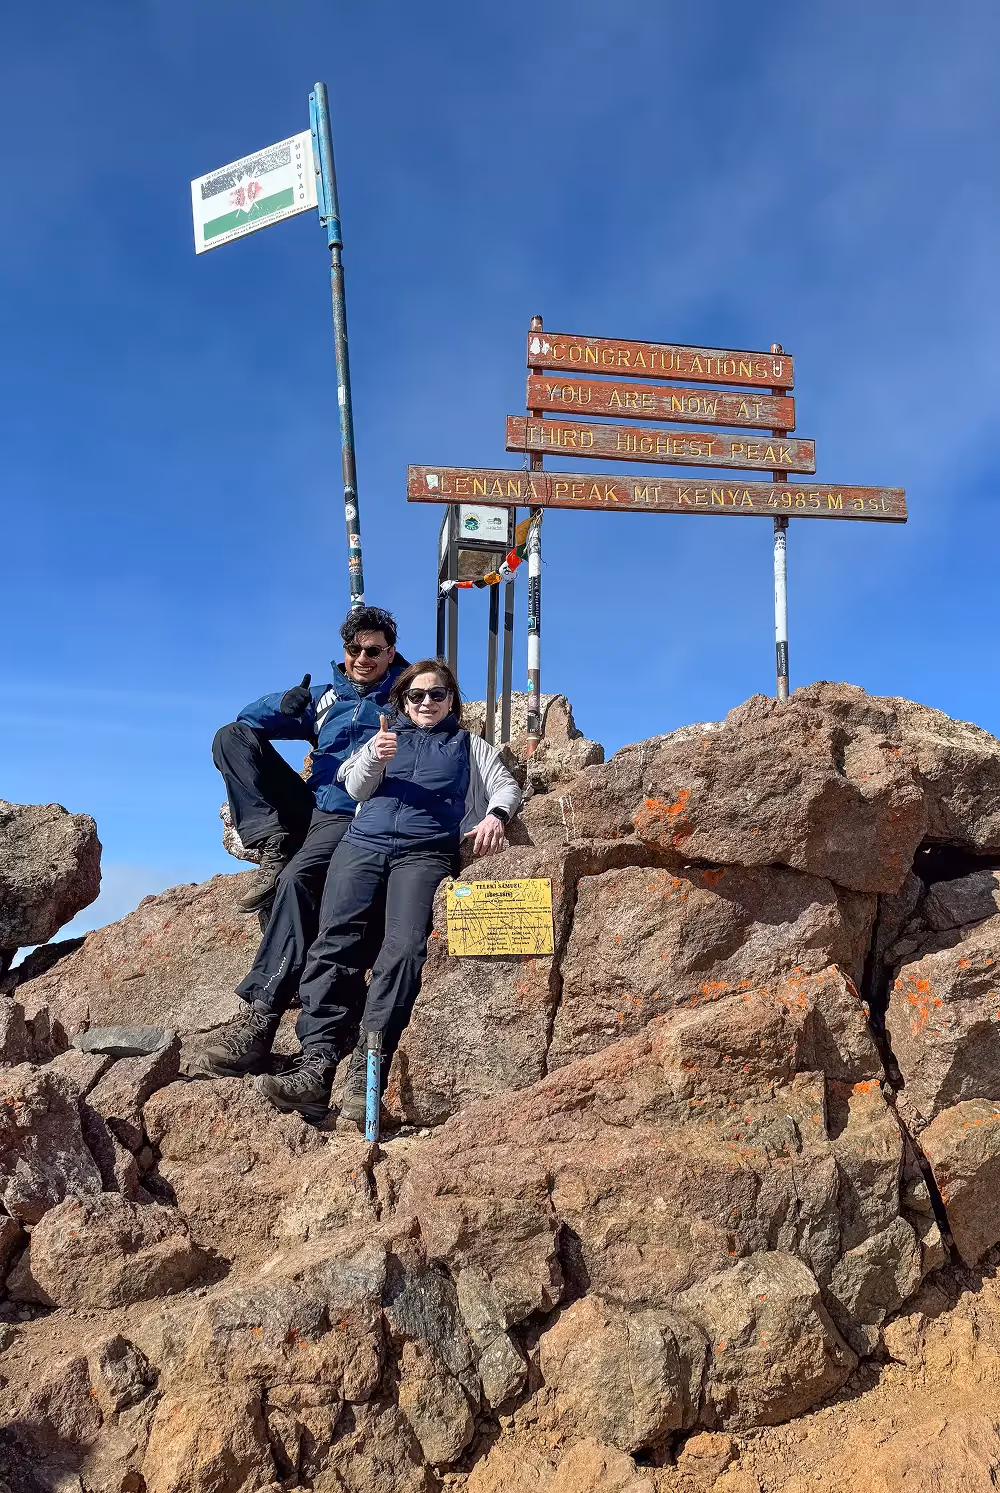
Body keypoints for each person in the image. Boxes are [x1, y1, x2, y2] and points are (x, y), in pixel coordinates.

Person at [259, 658, 522, 1121]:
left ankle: (368, 1066)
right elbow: (356, 788)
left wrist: (496, 816)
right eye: (416, 695)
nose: (426, 703)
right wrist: (373, 757)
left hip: (425, 854)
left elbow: (504, 784)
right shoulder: (383, 737)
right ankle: (316, 1062)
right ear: (402, 699)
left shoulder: (468, 744)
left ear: (450, 701)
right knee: (334, 941)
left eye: (436, 695)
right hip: (361, 845)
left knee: (403, 949)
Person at [203, 606, 407, 1078]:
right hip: (311, 806)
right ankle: (269, 838)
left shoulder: (402, 696)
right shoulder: (326, 697)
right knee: (229, 737)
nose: (362, 658)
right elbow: (247, 723)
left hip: (350, 812)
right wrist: (283, 707)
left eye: (373, 651)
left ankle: (260, 1018)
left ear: (390, 652)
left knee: (297, 882)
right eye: (354, 649)